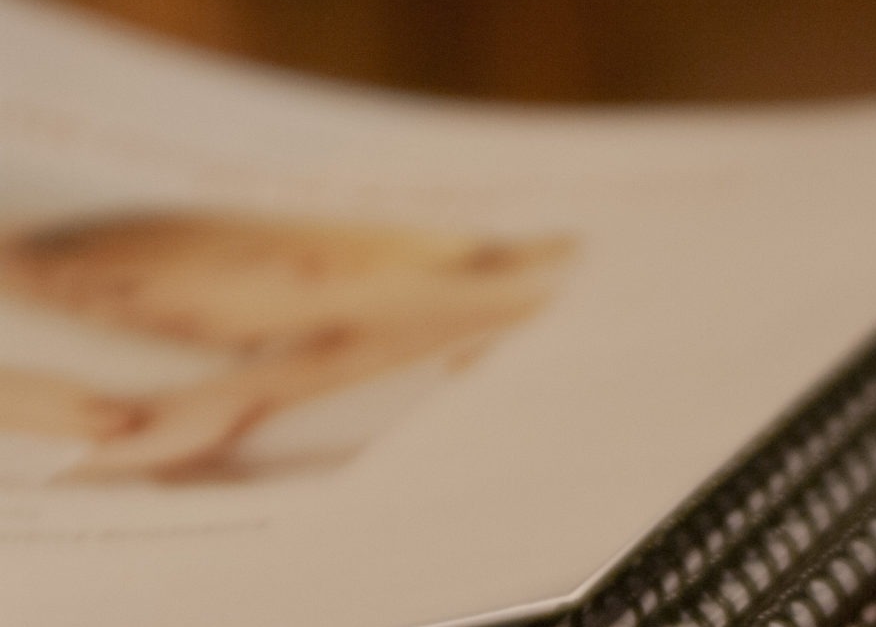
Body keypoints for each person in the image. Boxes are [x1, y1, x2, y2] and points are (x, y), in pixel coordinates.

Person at [0, 210, 571, 484]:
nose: (122, 320)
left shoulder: (548, 289)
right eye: (87, 313)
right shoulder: (267, 374)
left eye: (121, 290)